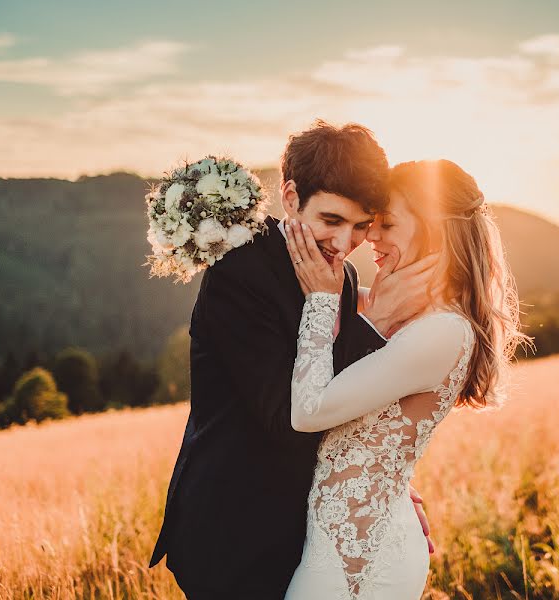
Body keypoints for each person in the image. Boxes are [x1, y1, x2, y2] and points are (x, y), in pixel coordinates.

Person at [149, 122, 435, 599]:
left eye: (361, 226)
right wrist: (378, 320)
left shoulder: (337, 275)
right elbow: (290, 416)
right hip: (233, 528)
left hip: (300, 524)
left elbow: (345, 397)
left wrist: (384, 484)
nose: (345, 244)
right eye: (331, 220)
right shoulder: (237, 275)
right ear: (289, 196)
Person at [282, 159, 526, 599]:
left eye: (387, 224)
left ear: (434, 230)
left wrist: (321, 298)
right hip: (345, 545)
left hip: (359, 560)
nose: (371, 236)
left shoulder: (443, 332)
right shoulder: (408, 313)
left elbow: (309, 410)